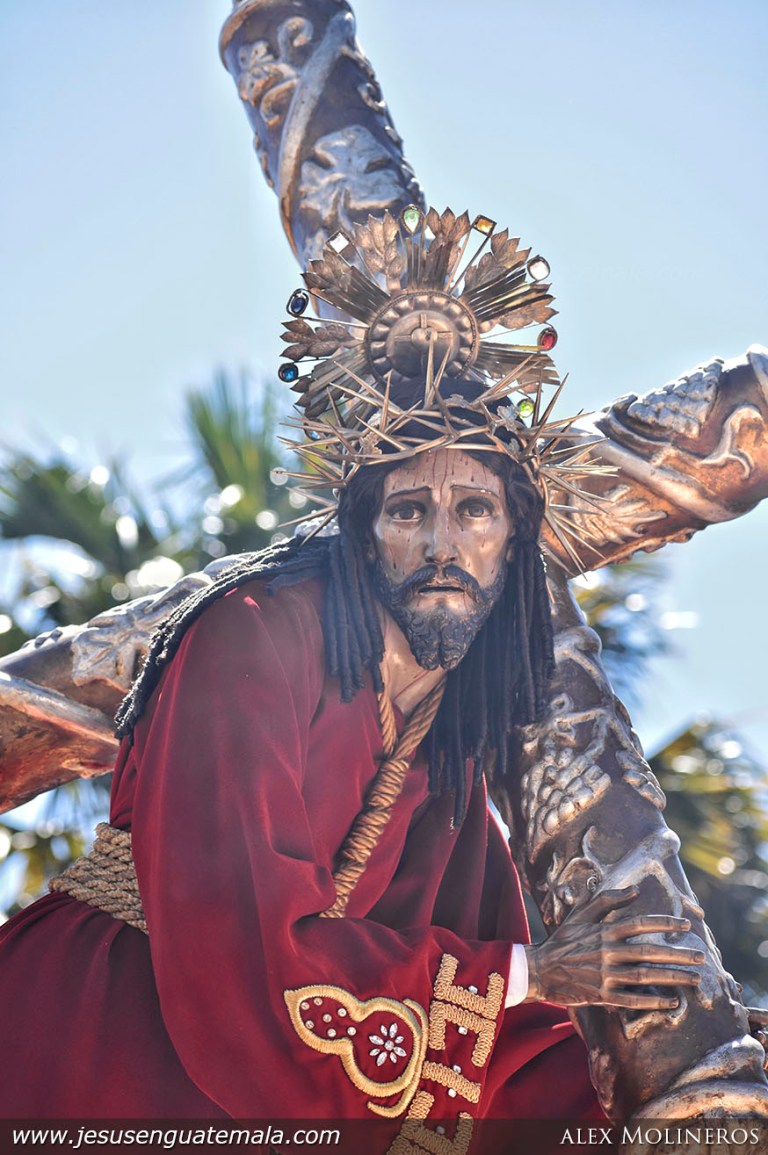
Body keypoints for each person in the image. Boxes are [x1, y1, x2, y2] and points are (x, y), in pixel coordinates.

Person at [0, 208, 704, 1145]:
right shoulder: (249, 637)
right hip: (98, 1035)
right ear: (364, 533)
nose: (444, 541)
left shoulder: (442, 737)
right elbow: (242, 940)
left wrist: (684, 1069)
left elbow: (489, 1026)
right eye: (410, 509)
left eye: (475, 510)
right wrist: (531, 974)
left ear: (512, 541)